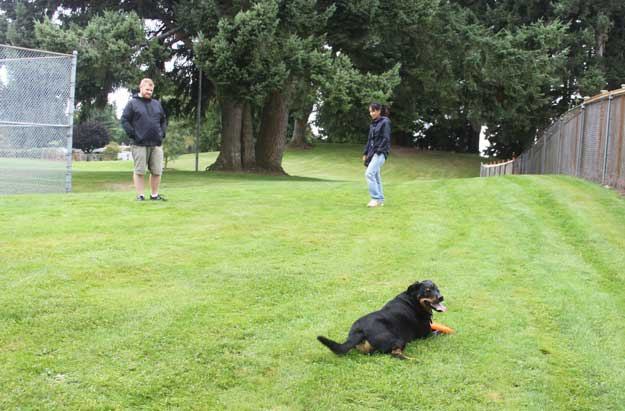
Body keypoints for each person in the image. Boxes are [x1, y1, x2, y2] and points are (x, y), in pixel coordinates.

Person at [121, 78, 167, 201]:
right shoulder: (132, 103)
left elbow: (163, 120)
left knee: (157, 171)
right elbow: (124, 120)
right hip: (139, 143)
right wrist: (133, 134)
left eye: (151, 90)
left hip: (156, 144)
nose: (149, 92)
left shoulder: (156, 104)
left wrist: (162, 133)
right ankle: (140, 195)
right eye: (147, 89)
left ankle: (154, 195)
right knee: (140, 171)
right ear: (141, 88)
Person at [362, 102, 391, 207]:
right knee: (376, 176)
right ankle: (380, 200)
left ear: (379, 111)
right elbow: (370, 140)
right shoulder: (373, 124)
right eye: (370, 111)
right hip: (372, 153)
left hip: (380, 152)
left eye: (373, 111)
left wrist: (379, 151)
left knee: (369, 174)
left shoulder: (385, 122)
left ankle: (375, 198)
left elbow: (386, 138)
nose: (371, 113)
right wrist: (365, 153)